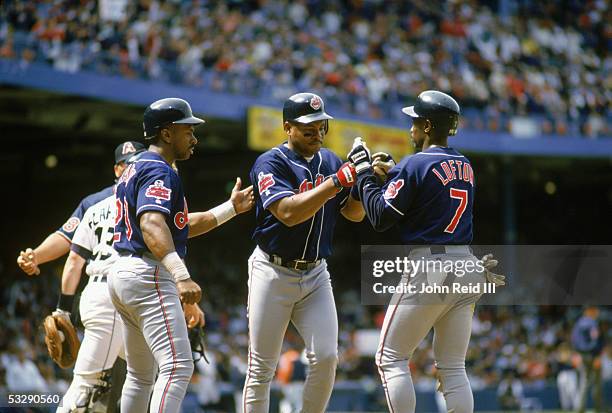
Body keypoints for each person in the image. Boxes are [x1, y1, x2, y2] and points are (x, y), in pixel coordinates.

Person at [348, 90, 504, 413]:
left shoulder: (415, 164)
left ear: (429, 125)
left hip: (431, 266)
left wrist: (364, 173)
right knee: (452, 367)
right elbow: (426, 189)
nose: (412, 126)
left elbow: (378, 218)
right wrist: (393, 174)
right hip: (466, 266)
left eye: (416, 121)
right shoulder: (465, 165)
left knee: (390, 359)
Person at [108, 97, 254, 413]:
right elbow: (151, 223)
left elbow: (180, 225)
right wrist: (180, 273)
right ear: (166, 133)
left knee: (140, 375)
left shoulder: (136, 167)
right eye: (187, 130)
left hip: (122, 271)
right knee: (177, 367)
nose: (194, 138)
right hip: (147, 273)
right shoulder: (159, 169)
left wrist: (231, 208)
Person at [51, 150, 206, 412]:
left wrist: (63, 307)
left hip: (105, 288)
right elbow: (160, 235)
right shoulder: (148, 199)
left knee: (136, 376)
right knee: (91, 383)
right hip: (123, 288)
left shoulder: (96, 205)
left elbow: (74, 259)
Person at [244, 92, 365, 413]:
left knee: (326, 357)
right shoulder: (271, 162)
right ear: (287, 127)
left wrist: (365, 181)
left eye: (321, 126)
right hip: (272, 271)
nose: (317, 134)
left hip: (315, 273)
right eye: (308, 128)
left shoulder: (330, 160)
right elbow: (287, 212)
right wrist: (336, 182)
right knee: (262, 368)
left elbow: (355, 214)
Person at [16, 141, 146, 276]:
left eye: (137, 162)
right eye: (127, 164)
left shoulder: (156, 194)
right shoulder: (94, 202)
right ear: (116, 170)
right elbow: (66, 236)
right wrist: (36, 256)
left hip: (144, 277)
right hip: (104, 281)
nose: (132, 168)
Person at [571, 306, 604, 413]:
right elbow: (596, 340)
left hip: (582, 356)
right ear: (590, 310)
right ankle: (598, 408)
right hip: (592, 356)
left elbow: (574, 341)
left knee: (584, 382)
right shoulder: (592, 323)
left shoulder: (578, 324)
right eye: (595, 310)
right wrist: (597, 355)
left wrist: (576, 354)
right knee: (597, 383)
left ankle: (580, 408)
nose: (597, 312)